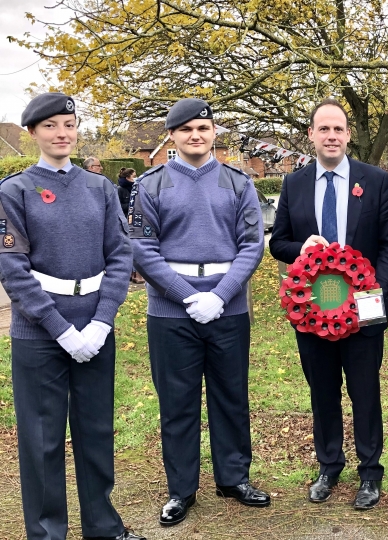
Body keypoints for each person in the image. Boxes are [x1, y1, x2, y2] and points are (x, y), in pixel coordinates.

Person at [0, 93, 143, 540]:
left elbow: (120, 257)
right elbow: (13, 271)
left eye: (69, 124)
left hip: (95, 328)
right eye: (50, 127)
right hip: (39, 334)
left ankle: (102, 526)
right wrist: (60, 329)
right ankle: (46, 533)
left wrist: (102, 321)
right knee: (42, 441)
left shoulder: (100, 188)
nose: (62, 133)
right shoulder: (15, 191)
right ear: (33, 135)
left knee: (96, 431)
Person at [130, 98, 269, 526]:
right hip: (171, 312)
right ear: (171, 135)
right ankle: (181, 489)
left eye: (203, 128)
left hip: (227, 308)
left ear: (214, 133)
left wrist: (221, 294)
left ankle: (233, 477)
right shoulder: (150, 184)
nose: (196, 135)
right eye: (186, 129)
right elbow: (141, 248)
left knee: (231, 396)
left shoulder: (237, 182)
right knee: (178, 402)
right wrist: (186, 295)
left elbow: (252, 244)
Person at [269, 98, 388, 510]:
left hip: (363, 309)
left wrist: (371, 289)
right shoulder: (294, 183)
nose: (331, 136)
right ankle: (328, 466)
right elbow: (278, 243)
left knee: (365, 391)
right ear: (310, 135)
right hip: (313, 313)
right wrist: (299, 247)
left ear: (348, 135)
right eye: (323, 129)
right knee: (322, 391)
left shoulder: (375, 180)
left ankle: (370, 472)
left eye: (338, 129)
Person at [117, 167, 144, 284]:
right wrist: (132, 204)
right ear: (128, 177)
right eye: (134, 176)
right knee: (129, 248)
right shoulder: (120, 189)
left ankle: (135, 274)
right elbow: (118, 206)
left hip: (136, 220)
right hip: (125, 222)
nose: (136, 178)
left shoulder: (137, 188)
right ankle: (132, 274)